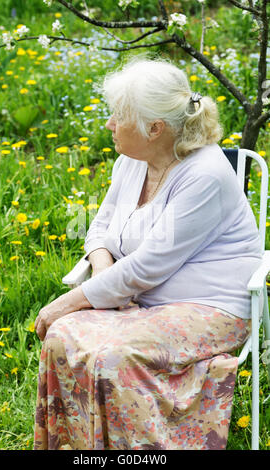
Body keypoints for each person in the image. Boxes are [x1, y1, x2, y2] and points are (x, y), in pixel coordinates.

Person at [33, 56, 262, 450]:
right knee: (61, 337)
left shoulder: (205, 174)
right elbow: (101, 228)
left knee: (113, 356)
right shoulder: (131, 161)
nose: (108, 125)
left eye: (118, 117)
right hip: (137, 299)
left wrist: (68, 301)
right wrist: (105, 281)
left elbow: (148, 266)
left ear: (155, 128)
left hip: (209, 305)